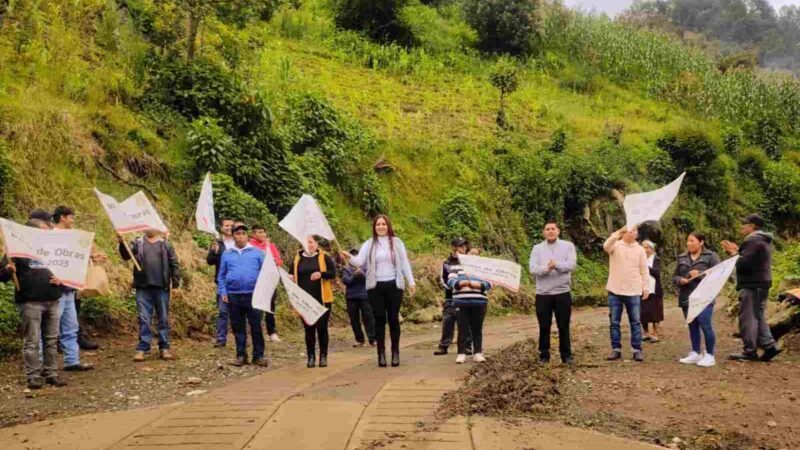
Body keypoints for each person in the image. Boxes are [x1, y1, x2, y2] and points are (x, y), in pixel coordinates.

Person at [341, 215, 416, 368]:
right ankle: (381, 353)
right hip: (375, 286)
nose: (381, 227)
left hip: (394, 285)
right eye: (378, 225)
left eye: (383, 224)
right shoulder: (369, 244)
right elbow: (359, 262)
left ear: (388, 226)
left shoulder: (397, 242)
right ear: (374, 227)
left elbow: (404, 262)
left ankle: (395, 352)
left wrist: (411, 281)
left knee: (393, 319)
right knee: (379, 319)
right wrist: (348, 257)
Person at [0, 219, 67, 389]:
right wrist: (8, 270)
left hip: (53, 299)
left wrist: (62, 280)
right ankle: (33, 376)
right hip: (30, 302)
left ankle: (51, 373)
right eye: (44, 230)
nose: (47, 233)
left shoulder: (53, 249)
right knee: (32, 340)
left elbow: (67, 271)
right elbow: (1, 276)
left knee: (52, 340)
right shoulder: (15, 250)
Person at [722, 214, 782, 362]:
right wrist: (738, 252)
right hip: (762, 283)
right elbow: (750, 259)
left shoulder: (753, 239)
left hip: (753, 285)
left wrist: (733, 253)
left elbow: (744, 263)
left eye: (745, 223)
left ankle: (750, 351)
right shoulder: (762, 239)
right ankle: (769, 346)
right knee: (757, 315)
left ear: (753, 226)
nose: (742, 226)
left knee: (748, 317)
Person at [119, 229, 180, 362]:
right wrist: (121, 242)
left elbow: (174, 264)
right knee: (144, 318)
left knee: (163, 318)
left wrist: (175, 285)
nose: (149, 228)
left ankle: (164, 348)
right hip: (143, 287)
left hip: (161, 287)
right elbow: (126, 255)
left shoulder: (165, 244)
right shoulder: (138, 242)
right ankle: (142, 348)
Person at [51, 206, 95, 371]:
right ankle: (46, 365)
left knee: (71, 327)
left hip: (70, 288)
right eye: (71, 217)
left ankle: (72, 361)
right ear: (63, 217)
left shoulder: (72, 236)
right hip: (57, 289)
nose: (73, 220)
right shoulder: (51, 236)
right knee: (52, 329)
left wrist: (90, 256)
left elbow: (74, 257)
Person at [217, 224, 268, 367]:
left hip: (254, 295)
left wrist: (263, 291)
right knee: (238, 328)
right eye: (237, 233)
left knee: (256, 326)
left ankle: (258, 355)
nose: (240, 236)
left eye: (243, 233)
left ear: (247, 236)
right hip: (234, 295)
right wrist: (223, 292)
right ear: (233, 236)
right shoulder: (227, 254)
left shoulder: (257, 253)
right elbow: (221, 276)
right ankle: (241, 355)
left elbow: (265, 273)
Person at [529, 221, 577, 364]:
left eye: (553, 229)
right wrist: (547, 268)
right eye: (547, 229)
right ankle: (544, 355)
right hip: (543, 294)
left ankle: (566, 355)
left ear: (558, 231)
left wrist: (557, 265)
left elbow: (571, 265)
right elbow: (533, 269)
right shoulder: (537, 249)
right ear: (543, 232)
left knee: (564, 325)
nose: (550, 231)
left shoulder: (568, 246)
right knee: (544, 326)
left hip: (562, 292)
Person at [674, 232, 720, 367]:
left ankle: (710, 354)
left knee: (705, 325)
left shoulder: (711, 256)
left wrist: (700, 275)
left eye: (692, 241)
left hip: (704, 297)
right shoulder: (682, 257)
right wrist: (680, 280)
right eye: (687, 241)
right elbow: (674, 276)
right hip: (687, 297)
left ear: (701, 242)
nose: (689, 244)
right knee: (692, 325)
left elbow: (717, 275)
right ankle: (695, 352)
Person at [290, 236, 336, 368]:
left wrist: (321, 274)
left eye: (310, 242)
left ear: (316, 243)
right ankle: (311, 356)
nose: (308, 245)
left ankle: (323, 356)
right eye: (306, 242)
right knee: (308, 328)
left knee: (322, 328)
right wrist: (290, 277)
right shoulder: (298, 257)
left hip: (322, 298)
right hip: (304, 299)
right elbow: (291, 273)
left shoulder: (324, 257)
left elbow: (333, 273)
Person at [604, 226, 648, 362]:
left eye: (634, 231)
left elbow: (644, 270)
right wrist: (616, 234)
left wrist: (645, 287)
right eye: (628, 231)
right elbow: (606, 246)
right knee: (614, 321)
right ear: (623, 233)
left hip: (634, 290)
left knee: (635, 321)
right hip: (615, 289)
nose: (631, 233)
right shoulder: (615, 246)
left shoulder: (640, 249)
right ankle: (616, 349)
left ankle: (637, 349)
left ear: (637, 234)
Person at [445, 249, 492, 364]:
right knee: (462, 328)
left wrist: (478, 285)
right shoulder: (457, 267)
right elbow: (450, 281)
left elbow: (490, 283)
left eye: (477, 254)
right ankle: (461, 354)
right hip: (461, 302)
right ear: (466, 255)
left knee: (477, 329)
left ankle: (478, 353)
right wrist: (460, 283)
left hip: (479, 302)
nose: (474, 255)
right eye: (472, 253)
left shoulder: (484, 268)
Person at [434, 238, 472, 356]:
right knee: (448, 321)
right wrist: (453, 287)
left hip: (466, 296)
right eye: (461, 246)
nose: (463, 248)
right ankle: (444, 346)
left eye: (465, 246)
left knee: (467, 322)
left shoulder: (470, 262)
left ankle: (467, 346)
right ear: (454, 247)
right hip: (451, 297)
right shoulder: (446, 263)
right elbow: (443, 280)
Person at [249, 223, 283, 343]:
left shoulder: (270, 246)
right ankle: (256, 332)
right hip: (256, 280)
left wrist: (274, 260)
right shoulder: (250, 246)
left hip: (270, 280)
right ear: (253, 234)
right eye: (259, 232)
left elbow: (279, 261)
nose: (262, 234)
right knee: (256, 307)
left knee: (270, 307)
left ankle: (272, 332)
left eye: (263, 232)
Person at [207, 218, 235, 348]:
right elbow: (210, 261)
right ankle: (221, 338)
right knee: (223, 311)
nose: (229, 227)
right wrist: (214, 251)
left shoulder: (239, 242)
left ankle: (241, 337)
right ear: (222, 227)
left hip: (238, 282)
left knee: (239, 312)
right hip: (223, 282)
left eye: (231, 225)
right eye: (226, 225)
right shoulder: (218, 243)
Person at [342, 248, 376, 348]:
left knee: (368, 318)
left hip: (365, 296)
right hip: (351, 297)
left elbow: (371, 279)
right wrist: (354, 276)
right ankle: (359, 340)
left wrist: (362, 274)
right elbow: (346, 281)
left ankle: (373, 339)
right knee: (354, 320)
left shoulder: (366, 267)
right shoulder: (346, 269)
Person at [641, 240, 664, 344]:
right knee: (643, 311)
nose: (645, 249)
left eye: (647, 247)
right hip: (641, 288)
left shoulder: (656, 259)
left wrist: (645, 266)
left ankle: (655, 333)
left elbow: (657, 273)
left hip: (654, 289)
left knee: (655, 311)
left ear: (652, 249)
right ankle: (645, 332)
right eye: (643, 247)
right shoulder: (639, 259)